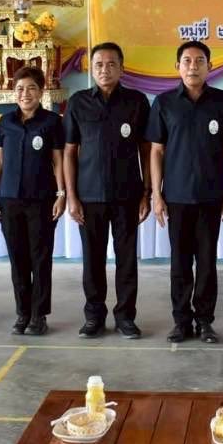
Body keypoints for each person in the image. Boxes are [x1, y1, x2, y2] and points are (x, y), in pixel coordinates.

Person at [147, 40, 223, 344]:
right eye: (187, 61)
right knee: (179, 262)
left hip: (211, 196)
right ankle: (181, 321)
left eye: (199, 61)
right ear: (177, 66)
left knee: (206, 262)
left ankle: (204, 321)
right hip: (176, 197)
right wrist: (156, 194)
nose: (193, 66)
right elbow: (156, 151)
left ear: (209, 66)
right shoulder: (164, 103)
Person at [63, 42, 151, 340]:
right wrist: (71, 196)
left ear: (122, 68)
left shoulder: (137, 102)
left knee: (126, 261)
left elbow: (146, 149)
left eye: (111, 64)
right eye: (99, 64)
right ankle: (94, 317)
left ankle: (126, 317)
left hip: (128, 195)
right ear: (91, 69)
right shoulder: (78, 103)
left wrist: (147, 192)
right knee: (93, 260)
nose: (105, 69)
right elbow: (69, 152)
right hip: (89, 197)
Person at [0, 67, 66, 336]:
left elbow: (58, 161)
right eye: (20, 89)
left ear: (41, 92)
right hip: (10, 199)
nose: (25, 94)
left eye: (31, 88)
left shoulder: (52, 122)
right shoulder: (5, 122)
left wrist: (61, 194)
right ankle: (23, 313)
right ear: (14, 92)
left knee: (40, 258)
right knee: (18, 258)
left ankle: (39, 315)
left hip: (42, 200)